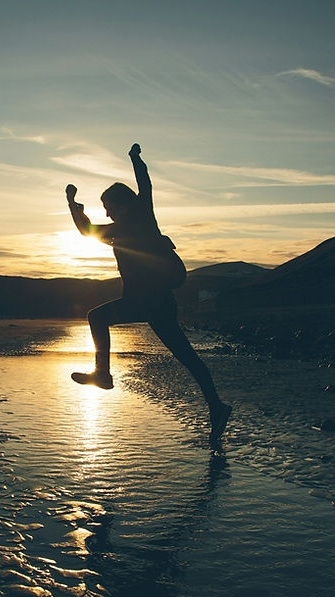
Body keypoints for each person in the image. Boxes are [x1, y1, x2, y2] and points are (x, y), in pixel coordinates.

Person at [66, 143, 232, 441]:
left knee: (96, 317)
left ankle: (102, 374)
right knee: (187, 356)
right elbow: (87, 232)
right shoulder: (119, 230)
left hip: (144, 301)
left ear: (124, 204)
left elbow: (145, 184)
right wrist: (74, 206)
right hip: (161, 303)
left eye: (110, 207)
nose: (107, 212)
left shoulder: (141, 216)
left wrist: (135, 159)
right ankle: (217, 407)